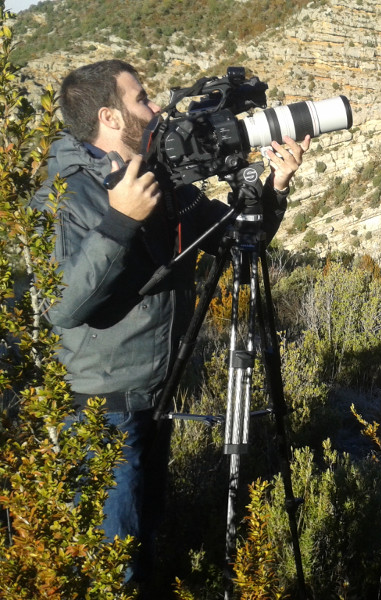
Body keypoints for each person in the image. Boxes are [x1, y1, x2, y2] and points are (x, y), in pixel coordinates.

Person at [30, 59, 311, 595]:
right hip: (102, 414)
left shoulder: (160, 181)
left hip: (156, 399)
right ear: (110, 116)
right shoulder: (65, 196)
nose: (156, 108)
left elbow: (231, 244)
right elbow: (61, 306)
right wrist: (120, 221)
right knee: (113, 568)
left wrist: (272, 187)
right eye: (142, 99)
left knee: (146, 542)